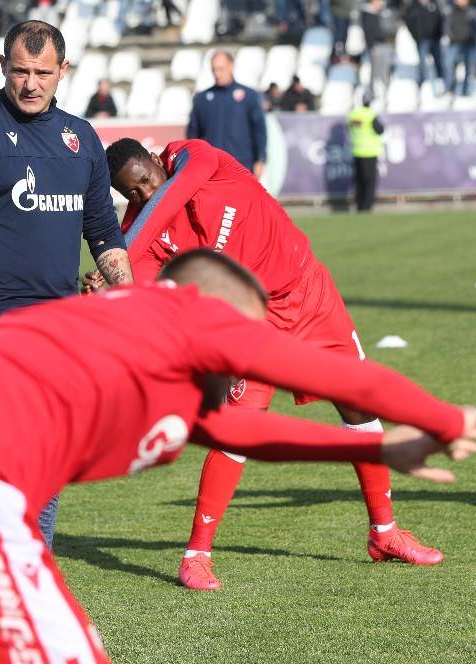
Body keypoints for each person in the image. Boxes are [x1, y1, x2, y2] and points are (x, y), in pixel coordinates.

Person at [0, 248, 476, 664]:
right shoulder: (191, 313)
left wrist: (374, 448)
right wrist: (448, 419)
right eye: (245, 341)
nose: (245, 364)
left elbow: (235, 429)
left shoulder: (125, 340)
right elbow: (335, 371)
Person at [98, 137, 447, 591]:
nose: (146, 196)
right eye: (134, 194)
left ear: (154, 159)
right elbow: (143, 291)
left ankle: (385, 533)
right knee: (239, 427)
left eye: (146, 182)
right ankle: (197, 554)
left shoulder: (200, 158)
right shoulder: (143, 230)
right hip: (252, 321)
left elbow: (165, 201)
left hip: (309, 293)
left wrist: (125, 243)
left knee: (360, 407)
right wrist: (111, 280)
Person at [0, 20, 133, 548]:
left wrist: (128, 297)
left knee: (45, 457)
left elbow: (104, 232)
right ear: (2, 67)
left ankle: (24, 568)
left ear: (63, 71)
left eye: (43, 72)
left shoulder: (81, 138)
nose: (31, 83)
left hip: (61, 328)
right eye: (20, 70)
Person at [187, 50, 267, 178]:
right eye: (214, 70)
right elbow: (193, 135)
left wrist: (260, 160)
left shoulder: (249, 96)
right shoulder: (201, 99)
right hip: (212, 169)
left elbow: (259, 132)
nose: (217, 74)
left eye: (220, 69)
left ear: (231, 66)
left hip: (243, 165)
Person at [349, 94, 385, 212]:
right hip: (369, 152)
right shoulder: (370, 115)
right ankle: (367, 206)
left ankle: (359, 204)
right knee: (369, 180)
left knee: (359, 180)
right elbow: (380, 130)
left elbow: (351, 128)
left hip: (356, 151)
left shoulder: (353, 114)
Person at [406, 0, 446, 89]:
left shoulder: (434, 3)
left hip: (435, 38)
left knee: (438, 61)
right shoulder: (413, 6)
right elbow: (409, 22)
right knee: (422, 63)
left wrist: (440, 34)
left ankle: (441, 82)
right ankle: (421, 83)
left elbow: (440, 18)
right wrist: (416, 36)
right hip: (422, 40)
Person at [361, 0, 395, 99]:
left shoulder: (380, 13)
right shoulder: (368, 14)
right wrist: (372, 46)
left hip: (381, 46)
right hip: (375, 47)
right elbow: (369, 32)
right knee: (376, 72)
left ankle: (383, 92)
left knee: (384, 71)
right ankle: (374, 92)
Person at [443, 0, 476, 96]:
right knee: (449, 64)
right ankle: (450, 88)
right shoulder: (451, 11)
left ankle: (465, 91)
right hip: (455, 42)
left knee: (468, 67)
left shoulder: (472, 11)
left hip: (469, 43)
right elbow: (447, 26)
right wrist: (450, 36)